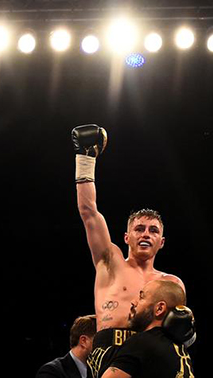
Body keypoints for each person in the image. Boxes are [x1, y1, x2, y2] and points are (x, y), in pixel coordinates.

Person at [71, 124, 187, 378]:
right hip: (110, 349)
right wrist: (85, 158)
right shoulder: (110, 262)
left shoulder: (171, 283)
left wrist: (188, 334)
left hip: (152, 353)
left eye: (153, 231)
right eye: (140, 229)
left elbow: (181, 331)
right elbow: (89, 212)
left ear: (162, 242)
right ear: (126, 237)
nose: (146, 234)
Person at [101, 280, 196, 378]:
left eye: (141, 297)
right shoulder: (180, 350)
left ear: (159, 308)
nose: (133, 302)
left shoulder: (142, 343)